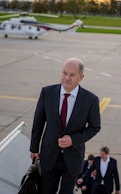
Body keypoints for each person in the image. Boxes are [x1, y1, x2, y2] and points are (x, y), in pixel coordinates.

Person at [30, 58, 101, 194]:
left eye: (72, 75)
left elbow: (94, 127)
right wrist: (34, 148)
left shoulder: (91, 100)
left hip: (73, 159)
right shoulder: (47, 92)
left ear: (81, 77)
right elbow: (38, 122)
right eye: (64, 73)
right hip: (49, 155)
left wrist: (73, 140)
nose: (66, 77)